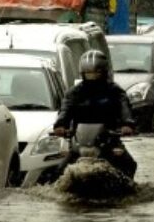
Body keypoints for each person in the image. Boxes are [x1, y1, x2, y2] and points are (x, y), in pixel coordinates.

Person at [53, 50, 137, 180]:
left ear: (104, 72)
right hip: (80, 142)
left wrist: (128, 124)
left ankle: (125, 191)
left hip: (108, 140)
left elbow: (125, 108)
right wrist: (60, 125)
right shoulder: (74, 93)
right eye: (88, 73)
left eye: (96, 73)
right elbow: (65, 110)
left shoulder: (114, 91)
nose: (92, 77)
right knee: (59, 171)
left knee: (129, 165)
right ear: (82, 73)